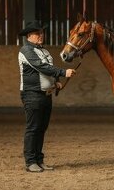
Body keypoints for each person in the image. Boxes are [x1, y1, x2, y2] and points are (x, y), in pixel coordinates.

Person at [18, 20, 76, 172]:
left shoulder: (44, 51)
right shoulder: (26, 51)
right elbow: (41, 67)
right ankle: (30, 162)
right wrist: (63, 73)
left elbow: (49, 68)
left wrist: (56, 82)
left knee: (41, 128)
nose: (41, 36)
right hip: (32, 94)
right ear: (29, 35)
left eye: (42, 33)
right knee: (33, 128)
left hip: (45, 95)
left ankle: (39, 160)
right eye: (38, 33)